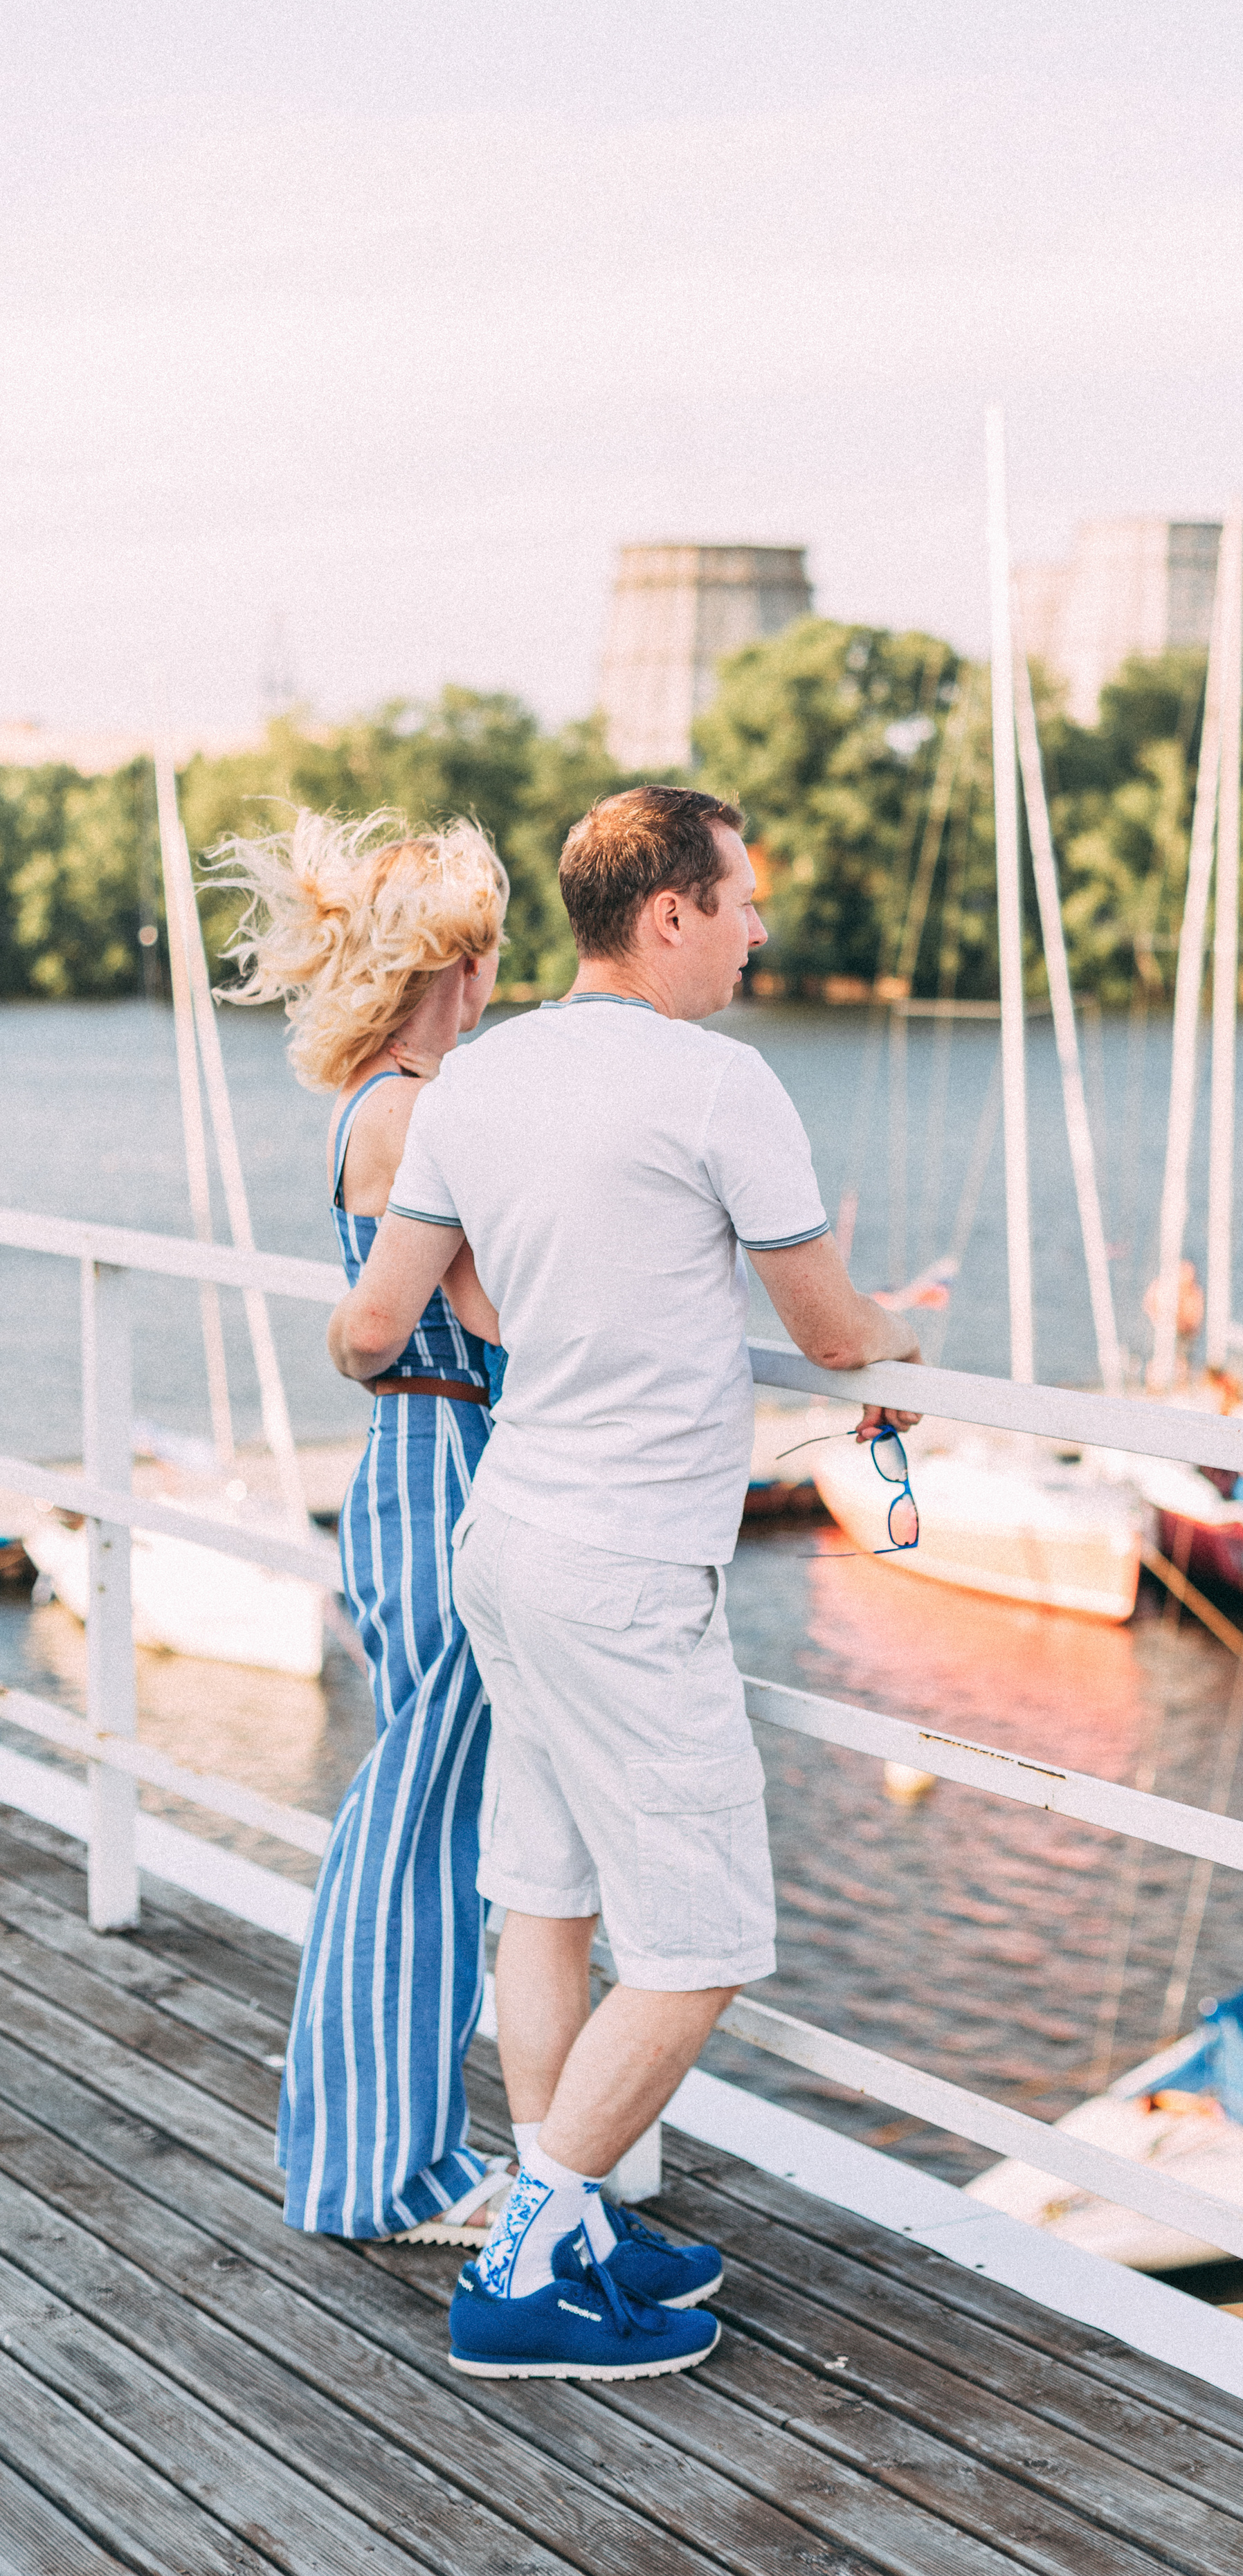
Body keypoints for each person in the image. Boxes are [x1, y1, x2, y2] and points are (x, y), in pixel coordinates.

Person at [325, 783, 919, 2382]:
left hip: (506, 1539)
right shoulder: (721, 1086)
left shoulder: (477, 1078)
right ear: (669, 914)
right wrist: (908, 1340)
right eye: (742, 900)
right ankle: (525, 2263)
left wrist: (415, 1347)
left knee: (545, 1893)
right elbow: (831, 1333)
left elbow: (376, 1328)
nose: (758, 930)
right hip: (628, 1568)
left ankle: (567, 2213)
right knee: (701, 1941)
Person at [216, 809, 518, 2244]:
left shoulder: (376, 1099)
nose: (500, 976)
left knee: (419, 1814)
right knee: (419, 1830)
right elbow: (464, 1319)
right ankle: (387, 2173)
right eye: (493, 949)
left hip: (412, 1462)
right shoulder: (415, 1111)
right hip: (445, 1463)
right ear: (457, 961)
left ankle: (380, 2149)